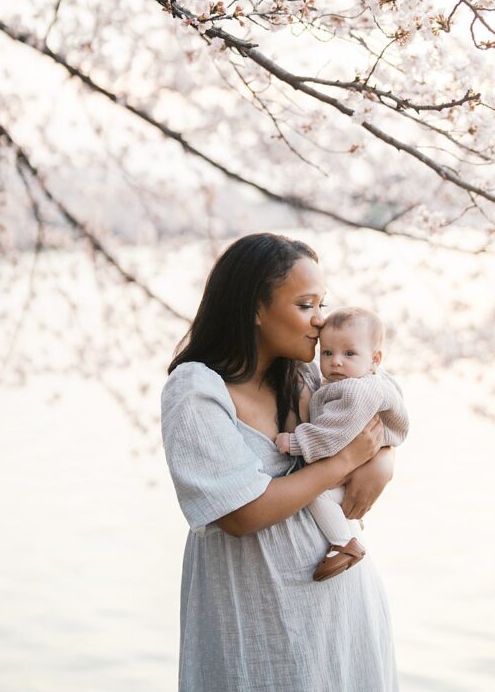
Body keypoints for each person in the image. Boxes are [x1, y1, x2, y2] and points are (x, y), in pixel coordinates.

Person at [161, 233, 399, 692]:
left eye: (321, 303)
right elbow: (241, 514)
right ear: (255, 308)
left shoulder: (312, 373)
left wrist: (383, 461)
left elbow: (383, 404)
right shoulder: (196, 390)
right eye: (305, 305)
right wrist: (342, 462)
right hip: (259, 616)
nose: (320, 320)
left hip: (344, 611)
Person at [275, 306, 409, 581]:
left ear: (374, 359)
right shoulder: (368, 380)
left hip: (353, 464)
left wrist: (297, 441)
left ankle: (344, 544)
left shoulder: (355, 391)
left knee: (316, 493)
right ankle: (348, 529)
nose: (336, 361)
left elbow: (333, 432)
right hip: (358, 461)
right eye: (327, 353)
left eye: (349, 354)